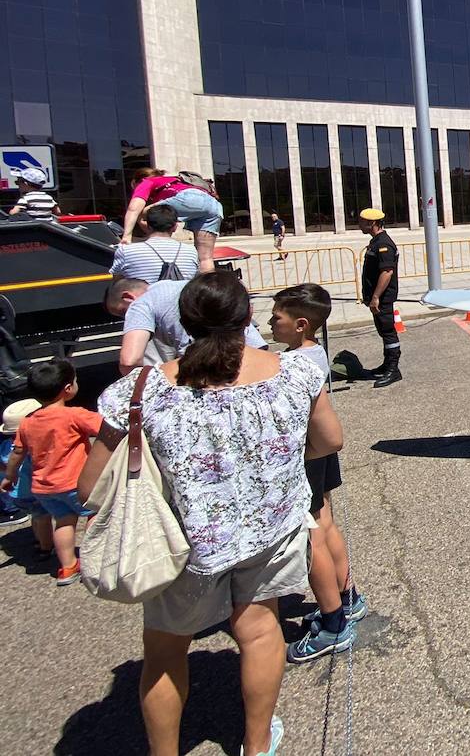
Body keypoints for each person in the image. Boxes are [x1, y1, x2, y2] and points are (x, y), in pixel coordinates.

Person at [79, 271, 343, 756]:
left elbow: (90, 484)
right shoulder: (296, 372)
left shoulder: (140, 391)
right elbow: (329, 440)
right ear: (246, 319)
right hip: (271, 528)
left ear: (181, 323)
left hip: (182, 542)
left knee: (164, 650)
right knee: (260, 630)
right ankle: (257, 744)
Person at [268, 284, 367, 663]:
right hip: (321, 450)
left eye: (277, 318)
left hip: (308, 453)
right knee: (325, 522)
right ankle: (347, 596)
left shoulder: (293, 364)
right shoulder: (314, 353)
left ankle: (333, 623)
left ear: (301, 325)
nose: (270, 323)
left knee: (310, 538)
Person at [1, 360, 97, 585]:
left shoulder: (27, 423)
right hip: (75, 483)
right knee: (96, 514)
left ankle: (67, 567)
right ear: (67, 389)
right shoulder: (75, 415)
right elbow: (108, 427)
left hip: (44, 488)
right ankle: (94, 561)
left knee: (64, 521)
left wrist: (9, 477)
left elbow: (16, 454)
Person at [106, 277, 267, 374]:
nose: (126, 319)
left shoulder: (141, 303)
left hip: (211, 369)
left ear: (127, 297)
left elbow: (129, 361)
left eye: (122, 313)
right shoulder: (190, 285)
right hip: (254, 354)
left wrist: (148, 388)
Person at [120, 168, 224, 275]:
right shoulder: (176, 180)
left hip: (189, 198)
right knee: (205, 259)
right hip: (214, 205)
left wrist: (126, 236)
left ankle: (154, 240)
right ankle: (208, 289)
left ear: (136, 182)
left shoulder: (146, 181)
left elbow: (133, 209)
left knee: (141, 214)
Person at [358, 208, 402, 388]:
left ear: (372, 223)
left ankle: (393, 369)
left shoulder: (384, 244)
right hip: (376, 297)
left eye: (362, 222)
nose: (359, 224)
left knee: (388, 331)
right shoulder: (376, 242)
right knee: (383, 331)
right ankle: (386, 365)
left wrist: (376, 297)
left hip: (383, 298)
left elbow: (386, 272)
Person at [110, 203, 200, 283]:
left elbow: (117, 283)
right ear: (175, 227)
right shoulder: (191, 251)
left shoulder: (126, 251)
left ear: (148, 226)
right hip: (181, 300)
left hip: (142, 300)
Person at [0, 398, 40, 529]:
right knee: (42, 516)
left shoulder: (5, 446)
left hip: (16, 495)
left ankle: (39, 540)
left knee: (36, 516)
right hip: (35, 492)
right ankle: (44, 544)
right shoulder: (32, 448)